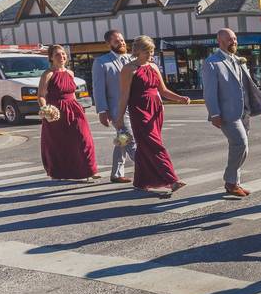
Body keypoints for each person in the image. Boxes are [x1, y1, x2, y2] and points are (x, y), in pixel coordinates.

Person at [201, 29, 261, 198]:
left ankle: (235, 182)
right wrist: (215, 114)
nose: (233, 42)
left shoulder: (239, 60)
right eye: (229, 39)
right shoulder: (212, 63)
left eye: (234, 39)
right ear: (219, 41)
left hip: (245, 111)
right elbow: (209, 92)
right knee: (240, 144)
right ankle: (230, 182)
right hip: (227, 113)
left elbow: (249, 85)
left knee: (243, 148)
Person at [114, 36, 189, 192]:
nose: (150, 54)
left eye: (152, 50)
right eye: (147, 51)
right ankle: (171, 179)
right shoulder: (128, 69)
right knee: (154, 145)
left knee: (144, 146)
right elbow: (124, 95)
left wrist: (180, 98)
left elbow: (163, 91)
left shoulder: (153, 67)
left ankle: (141, 181)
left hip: (156, 110)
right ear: (137, 51)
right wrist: (119, 117)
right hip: (139, 110)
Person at [37, 45, 98, 181]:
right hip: (56, 111)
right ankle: (60, 173)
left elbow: (72, 94)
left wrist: (80, 108)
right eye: (58, 54)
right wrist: (46, 110)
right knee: (60, 143)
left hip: (74, 109)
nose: (62, 57)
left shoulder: (70, 73)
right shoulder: (48, 74)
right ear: (51, 57)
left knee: (84, 139)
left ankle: (89, 170)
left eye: (63, 54)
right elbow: (41, 95)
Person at [92, 30, 136, 183]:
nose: (122, 43)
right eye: (117, 41)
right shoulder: (102, 62)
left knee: (122, 140)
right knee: (130, 139)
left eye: (122, 40)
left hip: (136, 107)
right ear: (109, 44)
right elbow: (98, 88)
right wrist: (102, 111)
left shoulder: (133, 59)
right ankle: (150, 169)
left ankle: (116, 174)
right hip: (117, 109)